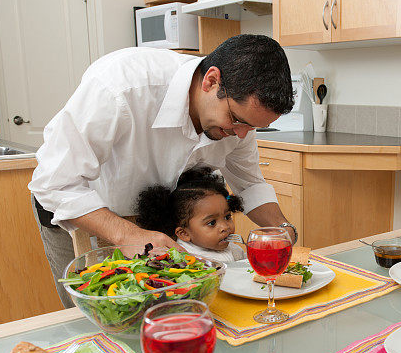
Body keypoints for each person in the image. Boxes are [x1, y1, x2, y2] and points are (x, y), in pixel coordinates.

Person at [29, 34, 298, 307]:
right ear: (211, 81)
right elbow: (54, 182)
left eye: (250, 127)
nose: (240, 135)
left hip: (152, 229)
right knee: (101, 318)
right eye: (236, 120)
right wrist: (127, 234)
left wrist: (284, 231)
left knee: (163, 313)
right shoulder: (120, 86)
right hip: (81, 213)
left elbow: (250, 184)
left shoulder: (238, 120)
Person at [136, 166, 246, 264]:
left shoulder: (235, 250)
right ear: (184, 233)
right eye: (212, 223)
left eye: (227, 217)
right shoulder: (184, 258)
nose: (225, 227)